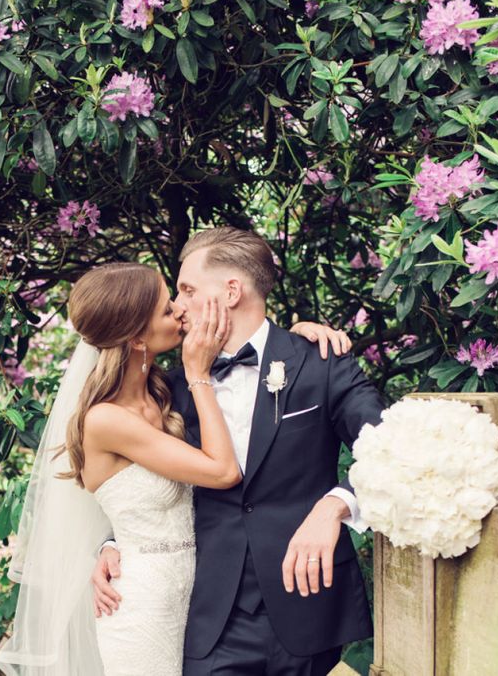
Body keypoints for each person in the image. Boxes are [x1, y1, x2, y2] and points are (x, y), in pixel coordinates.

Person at [0, 260, 347, 676]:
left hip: (195, 603)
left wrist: (297, 337)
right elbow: (222, 472)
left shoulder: (162, 393)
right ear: (136, 337)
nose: (181, 310)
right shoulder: (107, 419)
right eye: (167, 309)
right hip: (142, 606)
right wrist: (199, 374)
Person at [93, 228, 385, 675]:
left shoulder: (320, 361)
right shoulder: (168, 389)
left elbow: (387, 446)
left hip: (307, 607)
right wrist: (114, 545)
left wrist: (335, 506)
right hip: (208, 619)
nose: (177, 306)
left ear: (232, 291)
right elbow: (132, 475)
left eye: (187, 290)